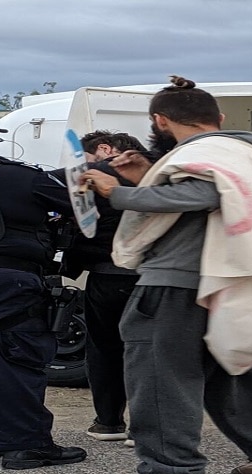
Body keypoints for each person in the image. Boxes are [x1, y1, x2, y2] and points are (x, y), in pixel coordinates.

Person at [77, 77, 252, 474]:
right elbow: (219, 194)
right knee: (243, 366)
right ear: (220, 118)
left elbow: (204, 192)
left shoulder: (204, 154)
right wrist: (147, 178)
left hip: (179, 279)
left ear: (160, 120)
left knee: (160, 375)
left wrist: (119, 192)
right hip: (243, 273)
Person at [0, 118, 87, 468]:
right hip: (2, 280)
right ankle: (25, 443)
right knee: (14, 357)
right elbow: (83, 210)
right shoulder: (18, 177)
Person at [52, 131, 149, 445]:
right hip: (151, 274)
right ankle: (146, 426)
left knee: (105, 349)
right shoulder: (160, 171)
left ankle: (108, 422)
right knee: (148, 351)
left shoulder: (98, 174)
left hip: (106, 273)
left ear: (106, 149)